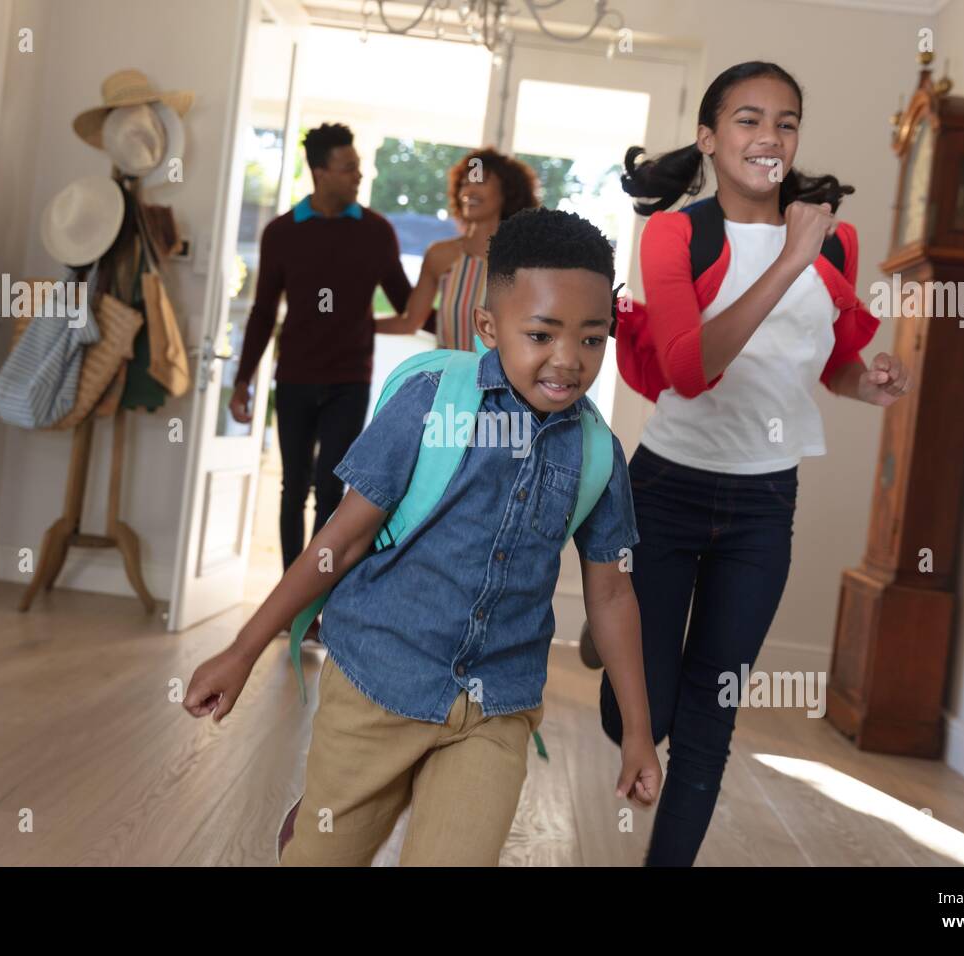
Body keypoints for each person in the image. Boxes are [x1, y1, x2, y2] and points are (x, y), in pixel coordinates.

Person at [186, 208, 662, 866]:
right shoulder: (433, 404)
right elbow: (341, 542)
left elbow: (611, 596)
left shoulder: (598, 454)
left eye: (591, 339)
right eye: (542, 334)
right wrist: (243, 650)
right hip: (378, 684)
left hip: (495, 707)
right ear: (490, 328)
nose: (567, 360)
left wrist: (639, 732)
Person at [593, 61, 911, 866]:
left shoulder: (834, 238)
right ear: (709, 137)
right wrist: (786, 260)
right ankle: (611, 645)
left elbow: (832, 361)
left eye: (786, 121)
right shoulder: (677, 233)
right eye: (747, 119)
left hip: (765, 503)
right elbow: (690, 369)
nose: (769, 136)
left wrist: (866, 384)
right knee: (636, 715)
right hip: (666, 488)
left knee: (712, 713)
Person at [230, 123, 415, 642]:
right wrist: (243, 380)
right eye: (349, 167)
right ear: (320, 172)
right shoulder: (283, 232)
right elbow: (264, 312)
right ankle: (292, 599)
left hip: (348, 381)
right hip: (293, 378)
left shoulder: (376, 231)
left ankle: (316, 600)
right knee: (293, 486)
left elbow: (406, 301)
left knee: (331, 489)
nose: (359, 175)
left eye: (358, 166)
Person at [377, 148, 539, 351]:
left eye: (479, 182)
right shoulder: (440, 255)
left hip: (503, 382)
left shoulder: (527, 262)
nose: (468, 191)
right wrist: (356, 326)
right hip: (447, 379)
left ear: (507, 191)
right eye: (464, 183)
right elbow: (410, 323)